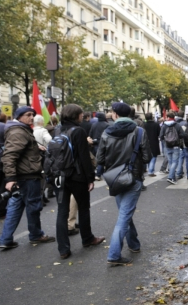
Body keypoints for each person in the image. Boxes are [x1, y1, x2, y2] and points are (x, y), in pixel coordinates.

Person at [96, 102, 151, 266]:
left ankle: (133, 244)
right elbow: (147, 157)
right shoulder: (139, 131)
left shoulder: (107, 132)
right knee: (124, 215)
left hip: (114, 178)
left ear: (115, 115)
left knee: (125, 212)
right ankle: (114, 255)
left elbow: (100, 158)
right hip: (132, 177)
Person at [0, 106, 55, 250]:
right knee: (33, 206)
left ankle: (6, 239)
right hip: (27, 177)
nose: (32, 117)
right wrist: (10, 178)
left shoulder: (20, 130)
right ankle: (36, 234)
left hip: (23, 175)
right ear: (19, 116)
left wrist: (36, 147)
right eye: (28, 115)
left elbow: (20, 152)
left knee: (15, 207)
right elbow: (10, 155)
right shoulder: (18, 131)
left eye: (33, 115)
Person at [54, 104, 105, 259]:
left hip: (59, 176)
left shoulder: (57, 130)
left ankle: (63, 249)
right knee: (83, 208)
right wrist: (90, 178)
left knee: (62, 212)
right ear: (76, 116)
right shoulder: (78, 131)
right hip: (76, 176)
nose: (83, 117)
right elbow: (84, 157)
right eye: (81, 114)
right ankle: (87, 238)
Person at [159, 112, 184, 185]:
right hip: (176, 146)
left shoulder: (164, 126)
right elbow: (182, 135)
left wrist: (166, 139)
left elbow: (161, 136)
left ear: (168, 117)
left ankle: (172, 178)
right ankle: (170, 177)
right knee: (175, 162)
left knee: (170, 162)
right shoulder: (177, 125)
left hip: (167, 145)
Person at [33, 115, 52, 205]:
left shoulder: (31, 131)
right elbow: (49, 140)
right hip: (43, 156)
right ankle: (41, 196)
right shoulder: (43, 130)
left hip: (34, 157)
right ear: (41, 122)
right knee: (43, 176)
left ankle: (41, 196)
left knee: (37, 176)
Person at [89, 112, 110, 181]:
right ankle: (98, 174)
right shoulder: (106, 125)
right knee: (102, 158)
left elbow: (90, 134)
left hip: (95, 143)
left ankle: (98, 171)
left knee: (97, 158)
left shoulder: (94, 125)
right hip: (104, 143)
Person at [143, 113, 161, 177]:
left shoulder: (144, 125)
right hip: (154, 142)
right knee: (153, 156)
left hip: (145, 142)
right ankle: (150, 171)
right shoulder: (156, 124)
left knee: (147, 155)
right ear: (152, 117)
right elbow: (159, 133)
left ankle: (149, 169)